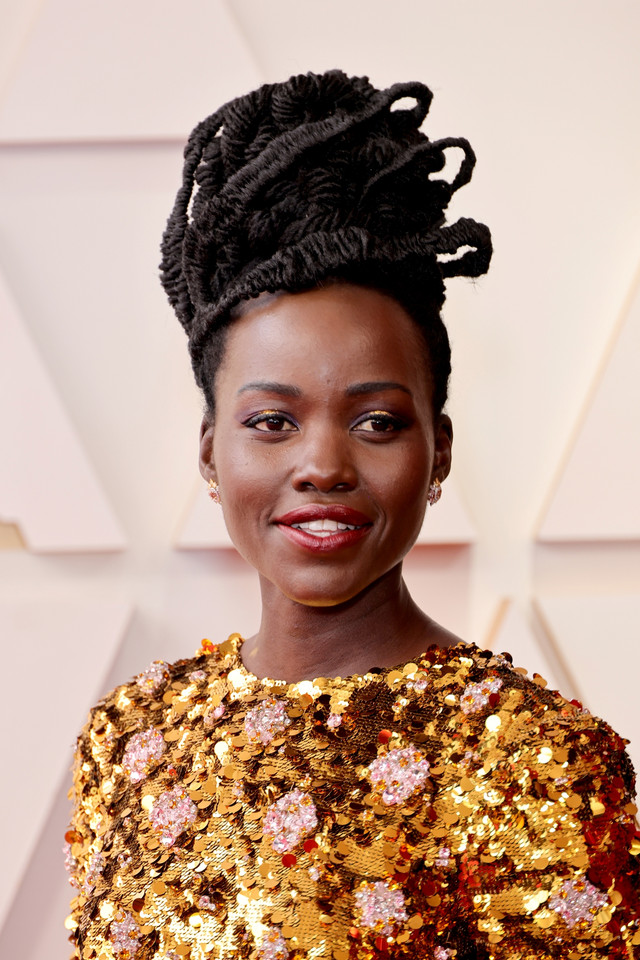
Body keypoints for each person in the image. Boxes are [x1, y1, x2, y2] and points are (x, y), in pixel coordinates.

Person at [64, 70, 639, 959]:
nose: (323, 465)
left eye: (376, 421)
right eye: (272, 423)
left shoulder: (540, 760)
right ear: (210, 450)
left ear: (438, 450)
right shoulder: (130, 736)